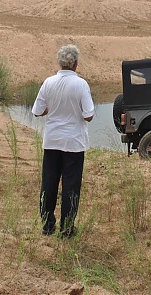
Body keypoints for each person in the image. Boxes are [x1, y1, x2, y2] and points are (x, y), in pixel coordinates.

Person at [32, 44, 95, 237]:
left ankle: (47, 224)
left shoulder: (48, 82)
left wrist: (52, 110)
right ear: (76, 64)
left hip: (52, 140)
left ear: (60, 63)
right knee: (70, 186)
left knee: (49, 182)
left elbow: (36, 111)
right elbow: (89, 115)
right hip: (74, 142)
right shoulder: (81, 84)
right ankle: (67, 228)